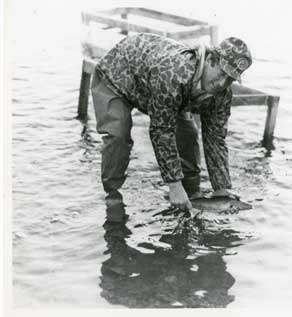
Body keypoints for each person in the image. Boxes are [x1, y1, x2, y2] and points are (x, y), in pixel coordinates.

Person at [91, 33, 252, 221]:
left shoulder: (222, 95)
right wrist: (174, 185)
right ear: (210, 59)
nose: (222, 83)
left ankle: (190, 198)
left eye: (230, 79)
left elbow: (215, 139)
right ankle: (113, 198)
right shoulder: (175, 72)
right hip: (117, 75)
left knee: (188, 135)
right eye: (222, 73)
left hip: (155, 85)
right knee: (118, 136)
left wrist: (221, 189)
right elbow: (161, 131)